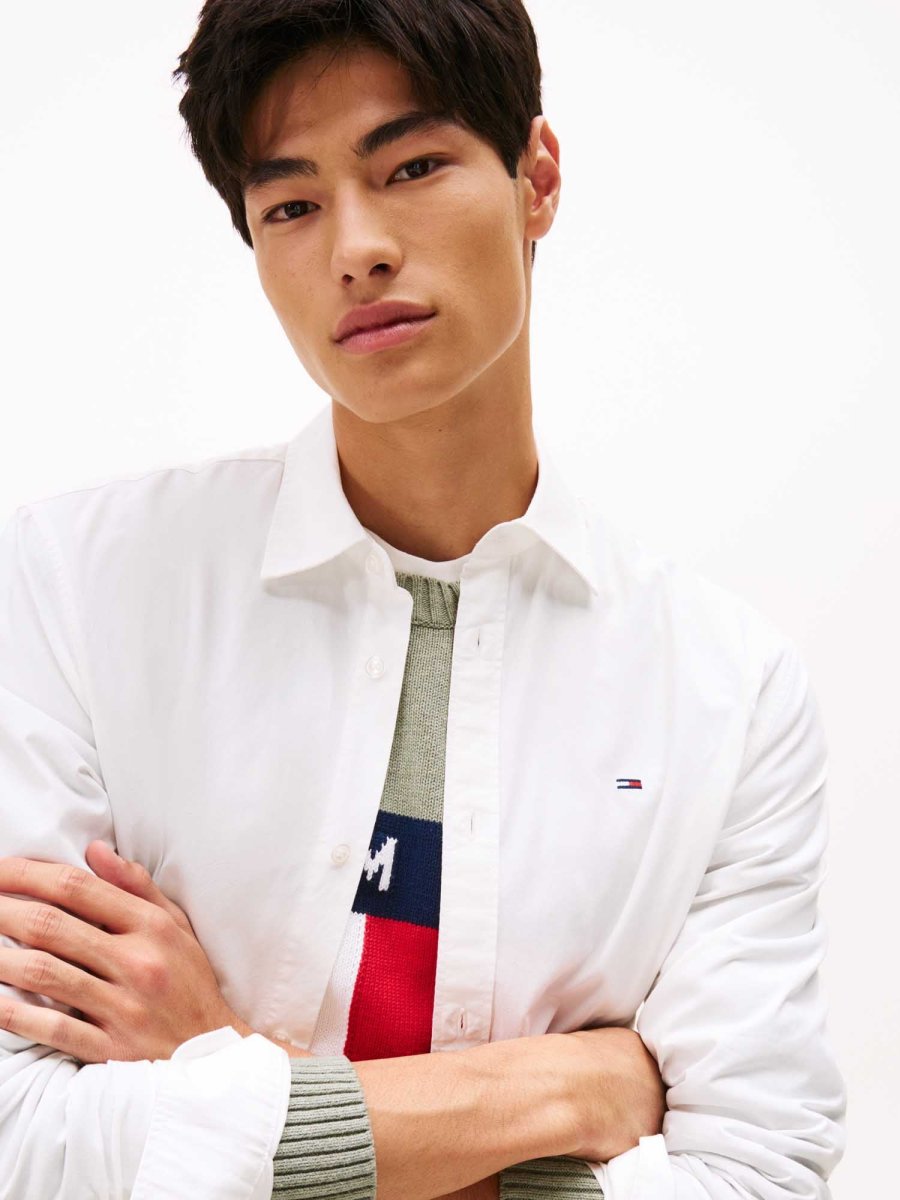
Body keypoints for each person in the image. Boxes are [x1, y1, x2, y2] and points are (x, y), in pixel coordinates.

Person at [0, 1, 847, 1197]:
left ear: (536, 180)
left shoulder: (727, 692)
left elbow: (763, 1173)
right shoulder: (73, 588)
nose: (357, 248)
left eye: (411, 168)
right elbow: (21, 1136)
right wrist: (559, 1096)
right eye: (291, 206)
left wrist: (218, 1067)